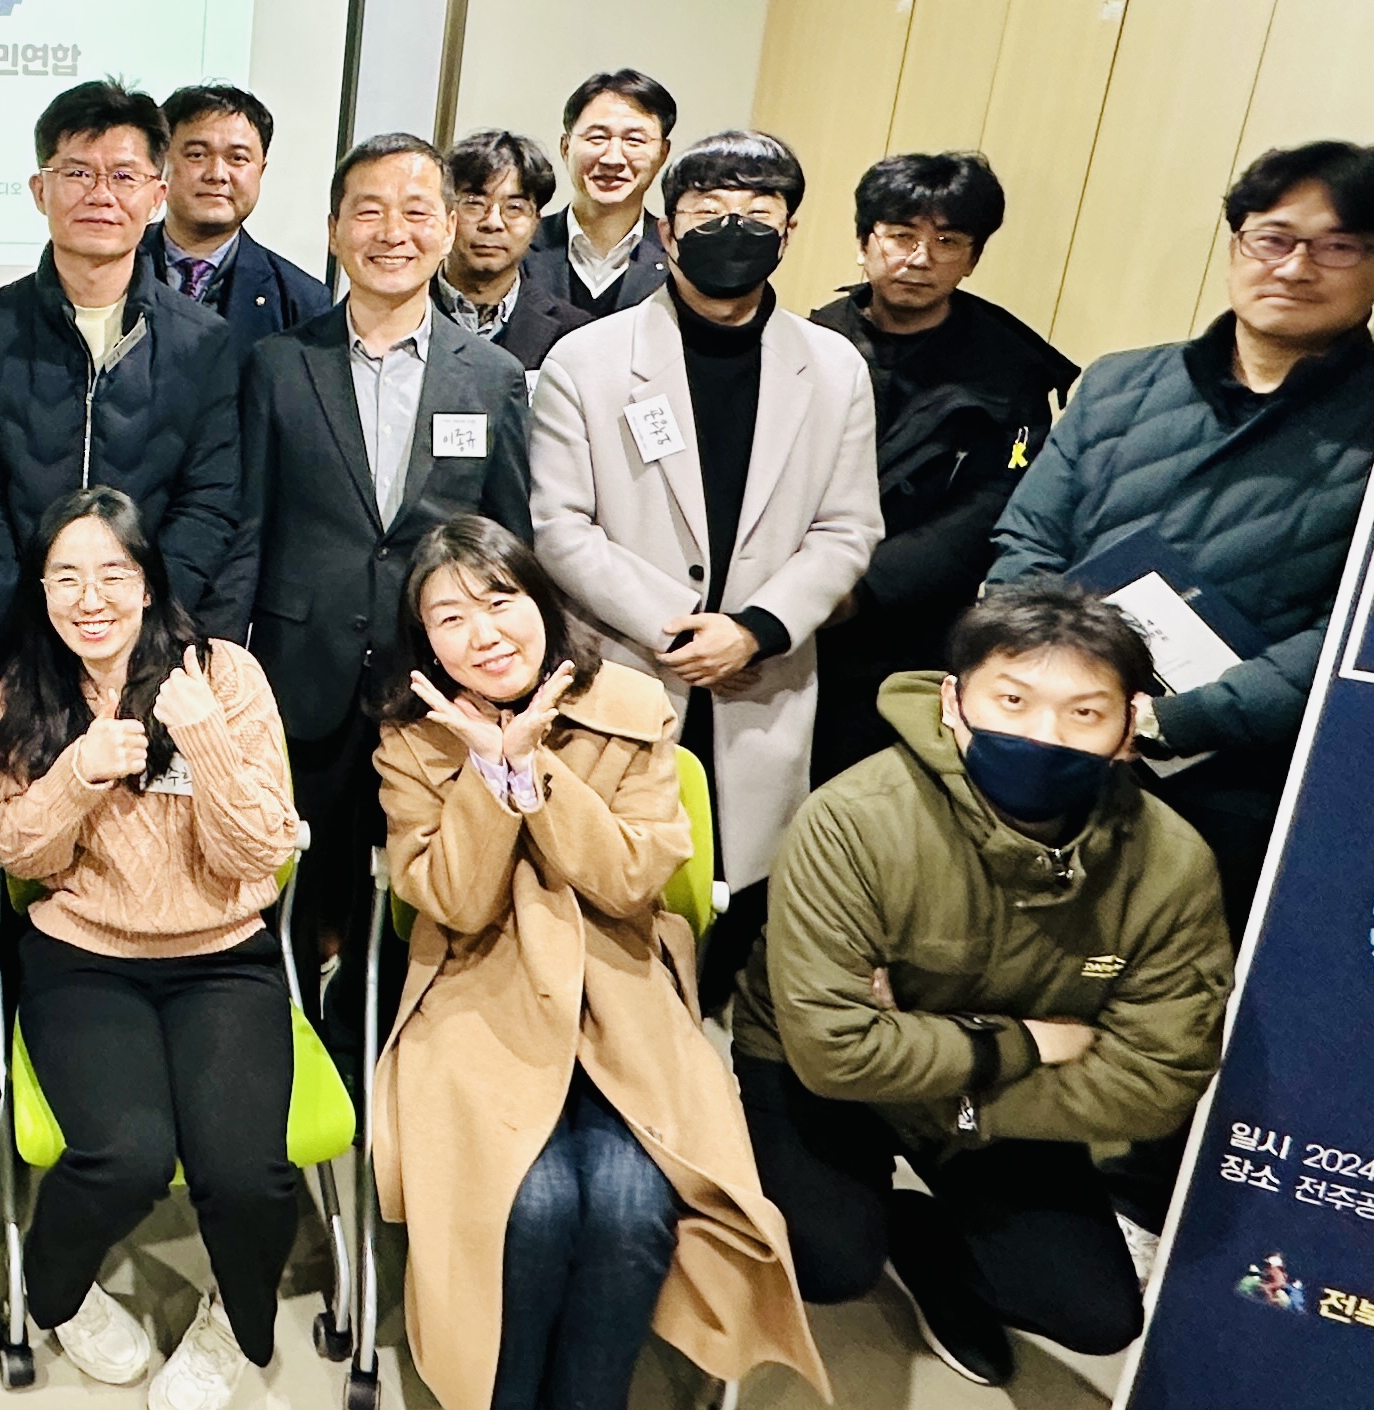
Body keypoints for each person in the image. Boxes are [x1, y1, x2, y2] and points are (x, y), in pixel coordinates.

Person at [371, 519, 819, 1410]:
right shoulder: (412, 738)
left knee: (627, 1204)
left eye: (500, 601)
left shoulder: (631, 706)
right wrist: (487, 779)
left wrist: (535, 772)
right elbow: (452, 900)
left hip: (618, 993)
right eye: (449, 618)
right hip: (477, 992)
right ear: (425, 642)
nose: (483, 633)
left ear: (542, 603)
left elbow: (628, 880)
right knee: (530, 1200)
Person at [727, 581, 1231, 1385]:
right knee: (827, 1260)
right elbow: (833, 1049)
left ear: (1130, 725)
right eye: (1013, 700)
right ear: (954, 702)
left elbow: (1159, 1077)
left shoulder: (1170, 864)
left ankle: (925, 1243)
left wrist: (964, 1103)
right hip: (831, 1076)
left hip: (995, 1107)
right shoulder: (856, 818)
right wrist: (1027, 1041)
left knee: (1095, 1316)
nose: (1044, 735)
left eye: (1084, 712)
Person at [987, 139, 1374, 921]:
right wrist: (1052, 690)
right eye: (1272, 238)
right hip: (1044, 742)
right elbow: (1025, 543)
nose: (1294, 267)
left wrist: (1171, 719)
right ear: (1236, 246)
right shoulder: (1119, 383)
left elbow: (1364, 626)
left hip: (1227, 782)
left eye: (1337, 247)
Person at [0, 487, 304, 1410]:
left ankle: (231, 1326)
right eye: (66, 578)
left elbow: (261, 852)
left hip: (223, 955)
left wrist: (201, 735)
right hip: (84, 956)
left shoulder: (225, 675)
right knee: (124, 1156)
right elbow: (16, 854)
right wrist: (78, 773)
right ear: (41, 591)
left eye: (113, 575)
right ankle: (57, 1291)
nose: (91, 599)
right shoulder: (22, 691)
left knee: (245, 1174)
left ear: (149, 581)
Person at [529, 129, 881, 1005]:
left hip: (760, 677)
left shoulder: (834, 367)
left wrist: (754, 630)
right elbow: (561, 527)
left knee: (735, 896)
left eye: (758, 215)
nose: (735, 231)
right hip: (631, 665)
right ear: (668, 229)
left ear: (790, 232)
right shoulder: (588, 360)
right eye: (710, 214)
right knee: (605, 889)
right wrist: (682, 630)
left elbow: (848, 527)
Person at [225, 134, 532, 1073]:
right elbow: (246, 527)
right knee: (289, 881)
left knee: (414, 888)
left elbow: (507, 543)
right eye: (368, 211)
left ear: (448, 227)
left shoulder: (492, 377)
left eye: (415, 212)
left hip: (432, 685)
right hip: (299, 678)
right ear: (333, 230)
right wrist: (221, 670)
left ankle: (380, 1059)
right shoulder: (278, 364)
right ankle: (283, 1055)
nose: (391, 232)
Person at [0, 81, 244, 673]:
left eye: (123, 176)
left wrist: (142, 622)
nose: (101, 194)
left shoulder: (203, 341)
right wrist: (27, 621)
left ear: (157, 195)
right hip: (14, 650)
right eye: (77, 173)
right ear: (39, 190)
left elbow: (210, 503)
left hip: (151, 652)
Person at [811, 152, 1082, 782]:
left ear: (972, 258)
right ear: (864, 242)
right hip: (795, 608)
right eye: (901, 236)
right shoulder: (808, 342)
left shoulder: (1010, 370)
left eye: (948, 241)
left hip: (910, 628)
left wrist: (860, 590)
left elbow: (991, 508)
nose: (920, 258)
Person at [146, 82, 332, 357]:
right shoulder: (110, 264)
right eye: (197, 155)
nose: (217, 174)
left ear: (261, 170)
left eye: (237, 158)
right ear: (161, 163)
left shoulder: (301, 300)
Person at [512, 68, 680, 351]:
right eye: (597, 138)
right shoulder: (518, 246)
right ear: (566, 147)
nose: (613, 158)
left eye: (634, 140)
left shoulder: (679, 258)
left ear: (662, 154)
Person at [436, 127, 565, 364]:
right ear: (446, 214)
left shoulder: (570, 332)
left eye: (514, 207)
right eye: (474, 203)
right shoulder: (399, 311)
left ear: (535, 221)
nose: (493, 223)